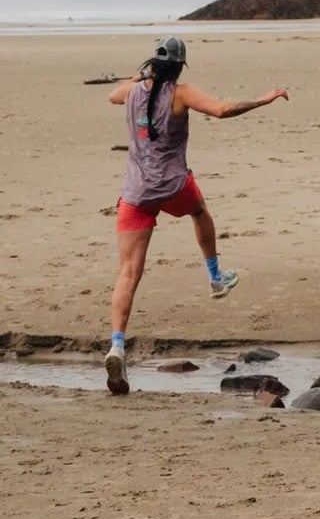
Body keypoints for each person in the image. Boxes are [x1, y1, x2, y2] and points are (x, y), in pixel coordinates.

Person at [104, 37, 287, 394]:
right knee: (199, 210)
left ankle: (117, 344)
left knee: (128, 273)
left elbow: (113, 95)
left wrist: (138, 78)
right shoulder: (181, 93)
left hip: (135, 194)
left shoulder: (132, 90)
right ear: (179, 66)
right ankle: (216, 276)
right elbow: (221, 109)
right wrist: (264, 99)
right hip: (173, 187)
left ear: (152, 63)